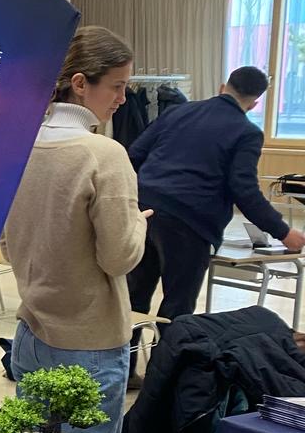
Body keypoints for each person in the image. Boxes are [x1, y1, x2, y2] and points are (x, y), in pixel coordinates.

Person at [4, 26, 149, 433]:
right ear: (81, 83)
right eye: (117, 86)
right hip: (89, 341)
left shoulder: (17, 146)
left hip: (30, 332)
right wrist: (138, 225)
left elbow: (9, 246)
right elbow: (119, 256)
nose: (123, 98)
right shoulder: (104, 154)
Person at [128, 67, 305, 322]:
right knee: (177, 307)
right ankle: (168, 350)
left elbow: (134, 154)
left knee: (133, 298)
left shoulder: (177, 112)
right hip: (189, 222)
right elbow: (244, 190)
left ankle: (124, 349)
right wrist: (283, 232)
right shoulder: (246, 132)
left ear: (223, 87)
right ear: (254, 104)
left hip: (143, 210)